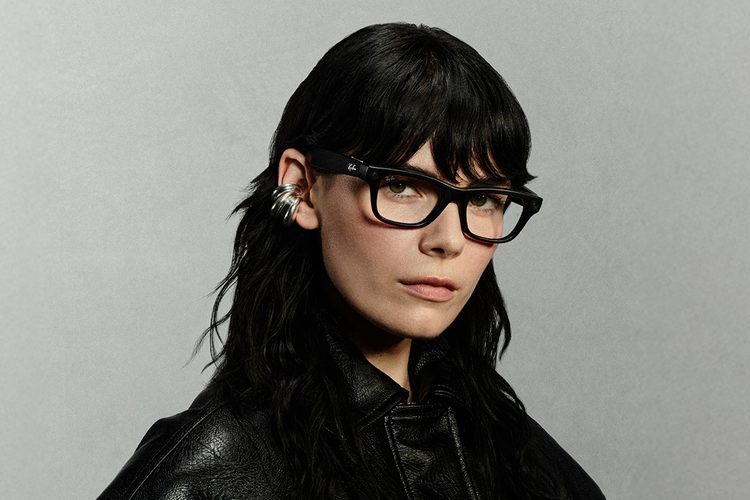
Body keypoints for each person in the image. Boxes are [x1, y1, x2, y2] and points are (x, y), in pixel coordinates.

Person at [97, 22, 605, 500]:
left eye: (484, 198)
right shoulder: (204, 477)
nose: (449, 240)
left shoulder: (527, 463)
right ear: (302, 186)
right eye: (402, 186)